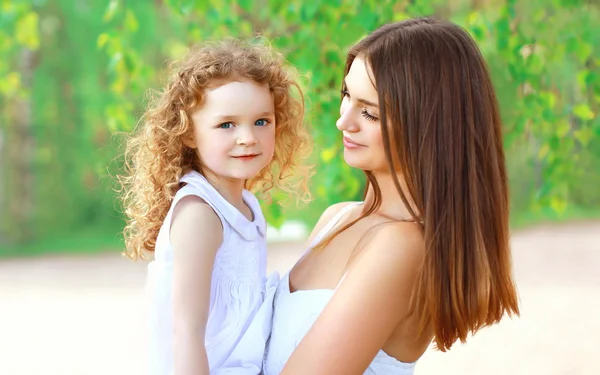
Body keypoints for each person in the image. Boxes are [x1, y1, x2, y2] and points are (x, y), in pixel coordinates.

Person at [263, 17, 520, 375]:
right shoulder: (337, 218)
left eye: (369, 112)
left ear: (428, 126)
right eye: (346, 95)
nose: (344, 122)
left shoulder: (403, 245)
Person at [119, 38, 311, 375]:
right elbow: (186, 332)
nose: (248, 137)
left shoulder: (246, 206)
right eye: (227, 125)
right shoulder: (200, 215)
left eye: (261, 121)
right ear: (189, 133)